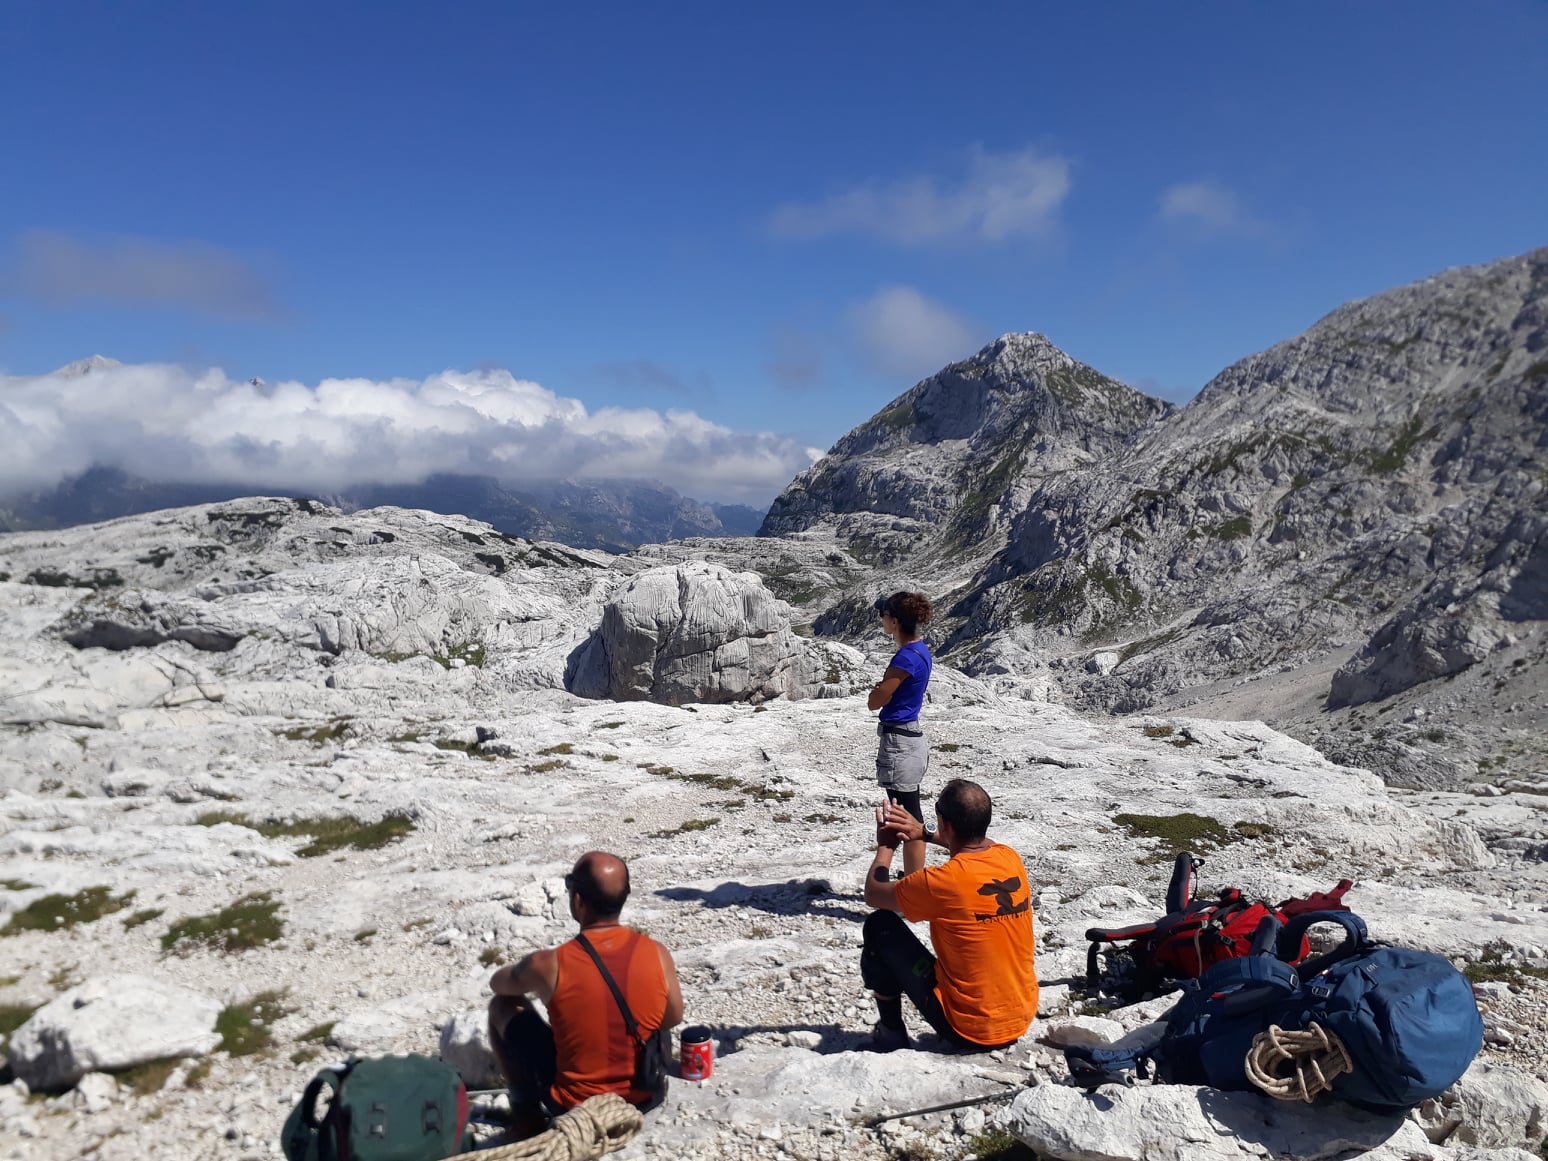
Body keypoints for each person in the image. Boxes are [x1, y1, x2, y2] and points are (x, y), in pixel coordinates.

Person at [488, 851, 684, 1134]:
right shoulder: (657, 953)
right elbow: (672, 1018)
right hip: (643, 1096)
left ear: (577, 900)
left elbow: (499, 986)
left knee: (500, 1007)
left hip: (575, 1106)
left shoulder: (548, 964)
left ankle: (526, 1119)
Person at [859, 778, 1039, 1052]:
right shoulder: (1009, 857)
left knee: (880, 925)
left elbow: (874, 894)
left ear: (945, 823)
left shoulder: (941, 882)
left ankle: (890, 1033)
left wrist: (886, 846)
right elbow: (975, 844)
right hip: (1021, 1017)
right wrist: (924, 832)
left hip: (968, 1029)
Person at [868, 591, 934, 876]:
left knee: (907, 816)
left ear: (894, 622)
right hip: (911, 738)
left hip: (899, 741)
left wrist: (876, 691)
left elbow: (876, 701)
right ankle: (912, 878)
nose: (881, 619)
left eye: (884, 615)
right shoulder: (922, 650)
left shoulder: (905, 658)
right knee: (909, 812)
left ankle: (913, 882)